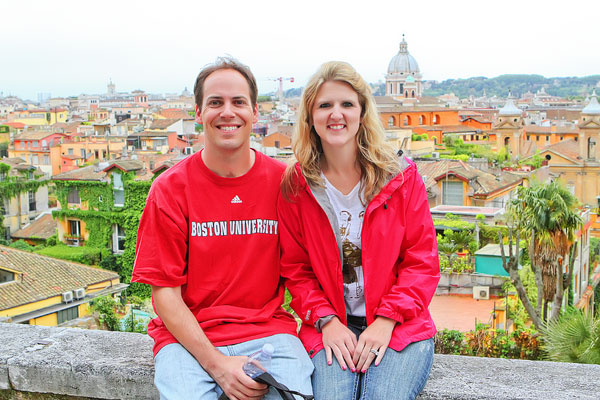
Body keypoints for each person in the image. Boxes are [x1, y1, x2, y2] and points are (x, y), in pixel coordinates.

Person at [132, 57, 313, 400]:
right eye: (215, 102)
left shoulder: (284, 183)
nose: (227, 112)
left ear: (255, 112)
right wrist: (217, 365)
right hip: (188, 340)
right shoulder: (170, 189)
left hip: (270, 334)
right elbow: (164, 294)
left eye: (238, 102)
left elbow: (303, 271)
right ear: (199, 113)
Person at [278, 61, 439, 400]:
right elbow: (296, 269)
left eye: (347, 104)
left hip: (399, 326)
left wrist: (386, 321)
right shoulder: (296, 185)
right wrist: (327, 321)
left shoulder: (401, 178)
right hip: (330, 326)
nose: (336, 114)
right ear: (310, 118)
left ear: (363, 112)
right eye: (325, 105)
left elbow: (421, 262)